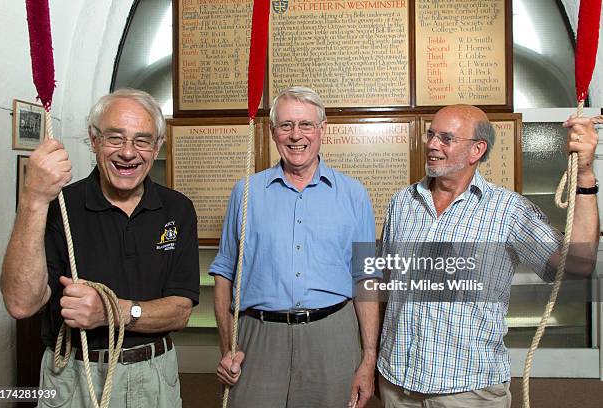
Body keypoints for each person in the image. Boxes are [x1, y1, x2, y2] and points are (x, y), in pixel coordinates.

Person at [376, 104, 599, 407]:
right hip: (397, 384)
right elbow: (386, 287)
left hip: (468, 390)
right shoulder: (402, 202)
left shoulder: (508, 211)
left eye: (446, 138)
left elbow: (579, 264)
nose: (431, 144)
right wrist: (372, 360)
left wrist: (584, 173)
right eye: (431, 135)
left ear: (476, 150)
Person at [1, 89, 200, 407]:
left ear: (157, 147)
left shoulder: (177, 210)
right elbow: (21, 304)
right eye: (115, 138)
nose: (128, 152)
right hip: (73, 376)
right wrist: (34, 199)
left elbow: (180, 312)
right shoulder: (59, 207)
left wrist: (110, 312)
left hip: (155, 375)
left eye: (142, 140)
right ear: (93, 140)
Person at [210, 86, 380, 408]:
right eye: (286, 125)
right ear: (273, 132)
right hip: (258, 339)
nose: (296, 135)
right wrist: (226, 347)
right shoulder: (246, 192)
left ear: (322, 130)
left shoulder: (353, 194)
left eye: (305, 125)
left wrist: (368, 357)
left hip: (333, 337)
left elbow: (366, 277)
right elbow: (224, 274)